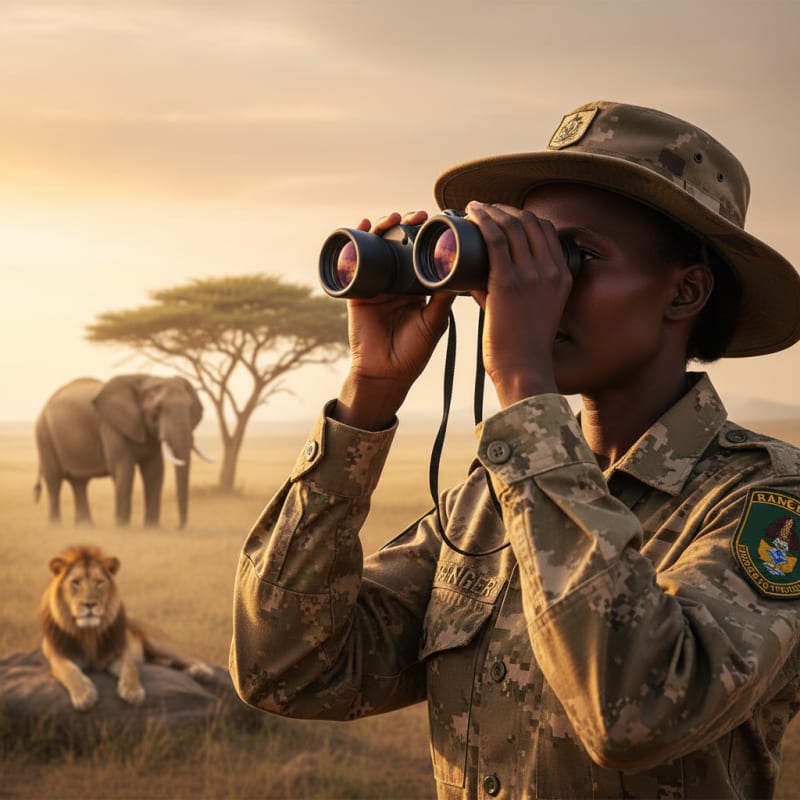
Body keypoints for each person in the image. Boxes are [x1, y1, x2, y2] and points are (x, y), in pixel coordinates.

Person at [230, 101, 800, 799]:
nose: (532, 289)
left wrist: (526, 383)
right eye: (516, 257)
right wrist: (368, 397)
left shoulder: (765, 503)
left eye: (573, 258)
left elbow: (639, 715)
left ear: (684, 292)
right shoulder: (492, 500)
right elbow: (288, 670)